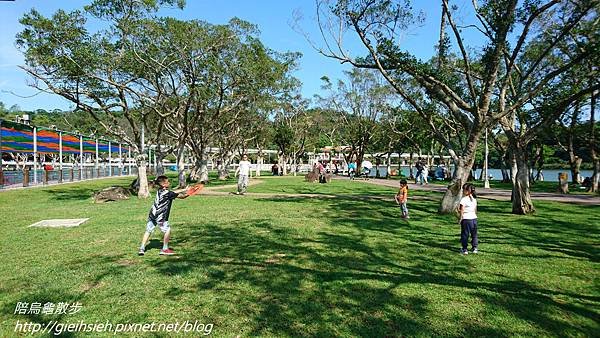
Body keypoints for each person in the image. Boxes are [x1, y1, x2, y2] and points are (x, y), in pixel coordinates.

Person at [138, 175, 190, 256]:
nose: (169, 182)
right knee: (167, 230)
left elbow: (173, 192)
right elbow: (182, 196)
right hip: (161, 216)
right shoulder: (168, 193)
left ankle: (141, 248)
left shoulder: (160, 190)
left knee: (148, 230)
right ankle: (165, 249)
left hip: (152, 215)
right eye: (167, 182)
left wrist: (184, 189)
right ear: (163, 184)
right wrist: (190, 192)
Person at [458, 183, 478, 255]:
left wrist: (460, 218)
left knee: (465, 234)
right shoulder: (474, 199)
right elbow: (475, 209)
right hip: (474, 219)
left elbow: (462, 210)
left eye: (463, 189)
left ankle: (464, 249)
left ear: (467, 191)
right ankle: (474, 248)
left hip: (466, 219)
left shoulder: (464, 199)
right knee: (474, 234)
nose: (463, 191)